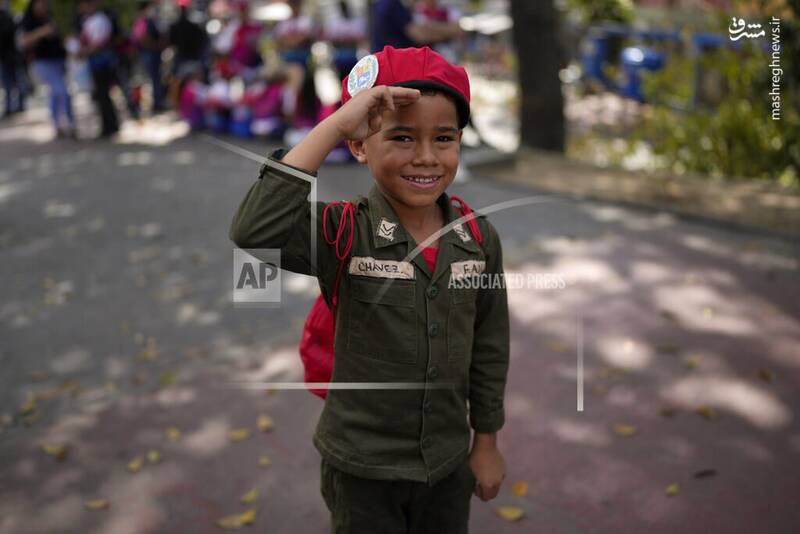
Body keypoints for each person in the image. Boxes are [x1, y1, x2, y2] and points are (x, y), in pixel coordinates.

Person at [229, 46, 509, 533]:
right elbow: (254, 230)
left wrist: (485, 441)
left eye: (444, 138)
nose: (426, 157)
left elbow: (489, 344)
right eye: (402, 137)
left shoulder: (478, 238)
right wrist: (335, 126)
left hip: (446, 465)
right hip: (361, 471)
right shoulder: (343, 231)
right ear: (360, 146)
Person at [19, 0, 75, 137]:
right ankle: (67, 123)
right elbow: (24, 42)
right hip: (42, 62)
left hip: (58, 60)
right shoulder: (28, 22)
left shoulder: (51, 18)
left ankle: (59, 124)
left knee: (57, 93)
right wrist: (42, 32)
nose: (44, 6)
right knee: (60, 90)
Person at [77, 0, 118, 138]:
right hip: (96, 63)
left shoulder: (100, 20)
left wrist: (84, 52)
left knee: (103, 95)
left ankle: (109, 126)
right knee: (101, 95)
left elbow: (98, 43)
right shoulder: (88, 20)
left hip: (102, 63)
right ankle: (109, 125)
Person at [371, 0, 460, 53]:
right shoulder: (393, 5)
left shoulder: (388, 4)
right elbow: (421, 36)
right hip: (394, 63)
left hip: (389, 60)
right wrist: (449, 32)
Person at [132, 0, 165, 113]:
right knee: (153, 80)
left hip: (149, 53)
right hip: (149, 54)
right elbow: (142, 38)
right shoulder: (142, 21)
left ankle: (156, 103)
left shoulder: (145, 21)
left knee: (154, 79)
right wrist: (156, 46)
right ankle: (156, 104)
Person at [0, 0, 26, 118]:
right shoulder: (10, 17)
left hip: (10, 56)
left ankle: (14, 106)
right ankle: (14, 106)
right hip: (9, 56)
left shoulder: (7, 17)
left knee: (11, 82)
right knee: (11, 82)